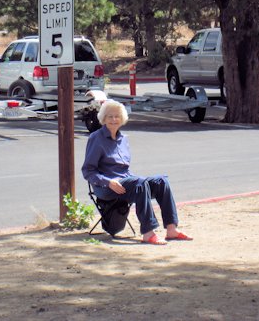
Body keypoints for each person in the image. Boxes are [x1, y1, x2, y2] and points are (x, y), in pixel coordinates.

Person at [82, 99, 193, 245]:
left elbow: (124, 170)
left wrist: (135, 178)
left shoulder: (123, 139)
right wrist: (108, 182)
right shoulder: (96, 138)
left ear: (122, 118)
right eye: (110, 116)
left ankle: (171, 229)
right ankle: (148, 233)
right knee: (139, 183)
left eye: (117, 116)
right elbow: (88, 171)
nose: (114, 119)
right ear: (103, 118)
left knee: (161, 181)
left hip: (126, 182)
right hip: (106, 187)